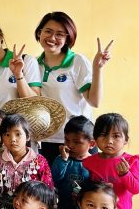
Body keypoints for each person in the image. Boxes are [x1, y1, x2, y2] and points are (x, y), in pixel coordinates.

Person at [34, 11, 113, 161]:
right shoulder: (34, 64)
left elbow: (94, 101)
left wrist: (98, 68)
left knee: (84, 184)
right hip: (46, 140)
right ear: (39, 33)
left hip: (78, 141)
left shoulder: (77, 61)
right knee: (49, 185)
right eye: (48, 31)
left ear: (67, 38)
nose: (52, 38)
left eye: (59, 34)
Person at [0, 114, 53, 209]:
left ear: (27, 136)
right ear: (2, 137)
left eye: (18, 134)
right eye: (7, 134)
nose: (13, 139)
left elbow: (48, 189)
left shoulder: (39, 161)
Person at [51, 115, 95, 209]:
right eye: (67, 140)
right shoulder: (61, 159)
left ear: (91, 144)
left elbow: (96, 188)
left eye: (76, 142)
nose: (70, 145)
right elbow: (54, 179)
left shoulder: (94, 163)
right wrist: (63, 160)